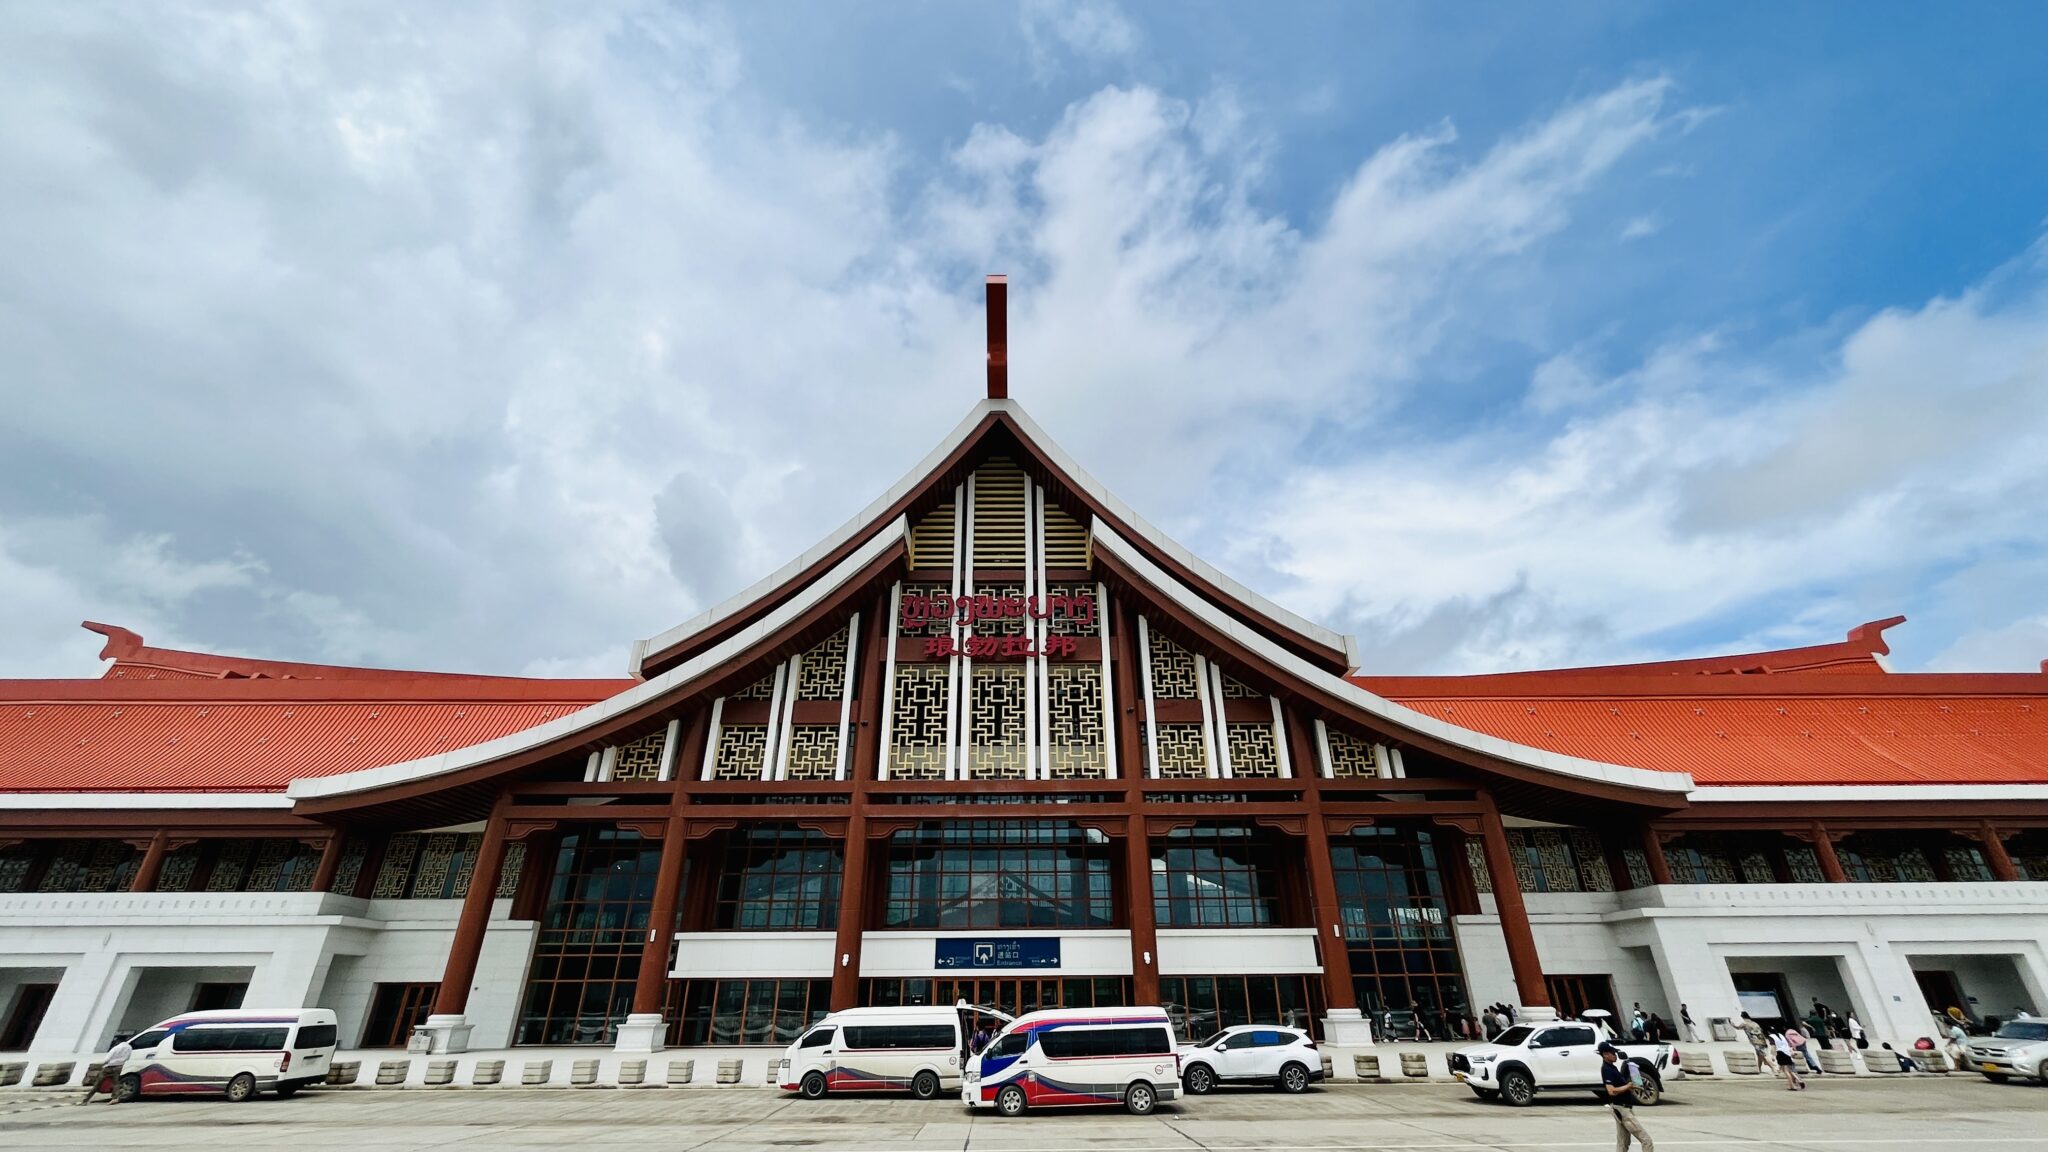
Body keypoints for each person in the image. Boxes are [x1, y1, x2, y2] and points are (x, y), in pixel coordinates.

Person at [1599, 1041, 1656, 1150]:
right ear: (1605, 1054)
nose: (1615, 1055)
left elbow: (1620, 1086)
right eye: (1612, 1053)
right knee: (1646, 1140)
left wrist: (1632, 1084)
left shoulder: (1612, 1068)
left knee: (1623, 1143)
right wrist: (1628, 1086)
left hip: (1620, 1108)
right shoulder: (1607, 1070)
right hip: (1622, 1110)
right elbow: (1611, 1091)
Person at [79, 1036, 132, 1105]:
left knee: (97, 1084)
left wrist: (101, 1065)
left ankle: (85, 1100)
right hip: (119, 1066)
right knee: (115, 1083)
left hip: (109, 1067)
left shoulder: (116, 1048)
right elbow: (127, 1058)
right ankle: (115, 1098)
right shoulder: (129, 1048)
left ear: (118, 1041)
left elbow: (107, 1059)